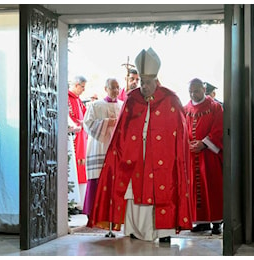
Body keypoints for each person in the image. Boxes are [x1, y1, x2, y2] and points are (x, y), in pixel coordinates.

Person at [87, 47, 193, 243]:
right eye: (142, 82)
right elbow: (121, 131)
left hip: (163, 158)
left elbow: (180, 133)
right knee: (133, 192)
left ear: (156, 81)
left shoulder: (171, 99)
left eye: (148, 82)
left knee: (163, 190)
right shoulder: (132, 98)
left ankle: (163, 232)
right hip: (135, 155)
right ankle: (134, 230)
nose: (144, 86)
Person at [184, 78, 224, 235]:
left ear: (204, 88)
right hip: (192, 154)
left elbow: (219, 129)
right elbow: (181, 129)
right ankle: (201, 222)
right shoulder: (185, 108)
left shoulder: (215, 107)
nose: (193, 94)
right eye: (191, 92)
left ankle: (216, 222)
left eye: (197, 91)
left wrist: (205, 143)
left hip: (209, 155)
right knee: (194, 188)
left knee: (212, 187)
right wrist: (188, 144)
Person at [82, 78, 123, 220]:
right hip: (100, 146)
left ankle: (114, 215)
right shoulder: (95, 105)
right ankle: (93, 213)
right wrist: (107, 123)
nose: (116, 91)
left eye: (118, 88)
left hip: (117, 148)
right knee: (97, 179)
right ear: (106, 89)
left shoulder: (123, 105)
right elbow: (87, 124)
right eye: (113, 88)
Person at [68, 75, 89, 212]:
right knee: (73, 169)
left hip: (82, 138)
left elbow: (85, 115)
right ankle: (71, 203)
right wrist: (76, 125)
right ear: (76, 85)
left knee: (81, 170)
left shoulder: (78, 100)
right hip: (73, 138)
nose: (83, 89)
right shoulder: (67, 98)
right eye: (82, 86)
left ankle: (79, 202)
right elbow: (69, 117)